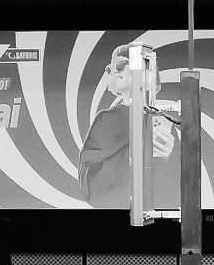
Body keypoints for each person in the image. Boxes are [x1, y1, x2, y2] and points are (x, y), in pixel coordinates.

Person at [77, 45, 179, 209]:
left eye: (119, 66)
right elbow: (87, 180)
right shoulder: (105, 119)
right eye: (110, 68)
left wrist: (167, 156)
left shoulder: (161, 117)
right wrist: (134, 152)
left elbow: (176, 186)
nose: (113, 72)